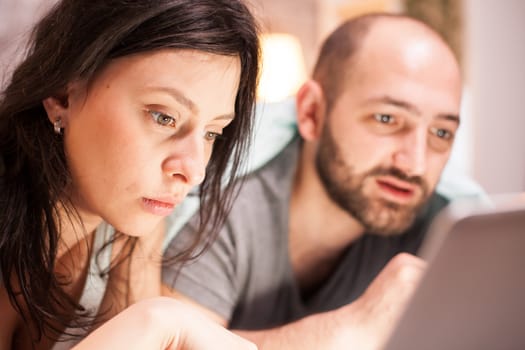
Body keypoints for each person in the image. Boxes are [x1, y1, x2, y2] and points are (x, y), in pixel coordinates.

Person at [162, 13, 467, 349]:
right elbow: (172, 344)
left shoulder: (446, 230)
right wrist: (352, 329)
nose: (415, 164)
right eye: (387, 119)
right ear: (311, 112)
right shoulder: (221, 209)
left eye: (441, 133)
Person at [0, 0, 260, 349]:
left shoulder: (128, 227)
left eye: (212, 133)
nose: (193, 170)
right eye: (163, 117)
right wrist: (158, 320)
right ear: (62, 94)